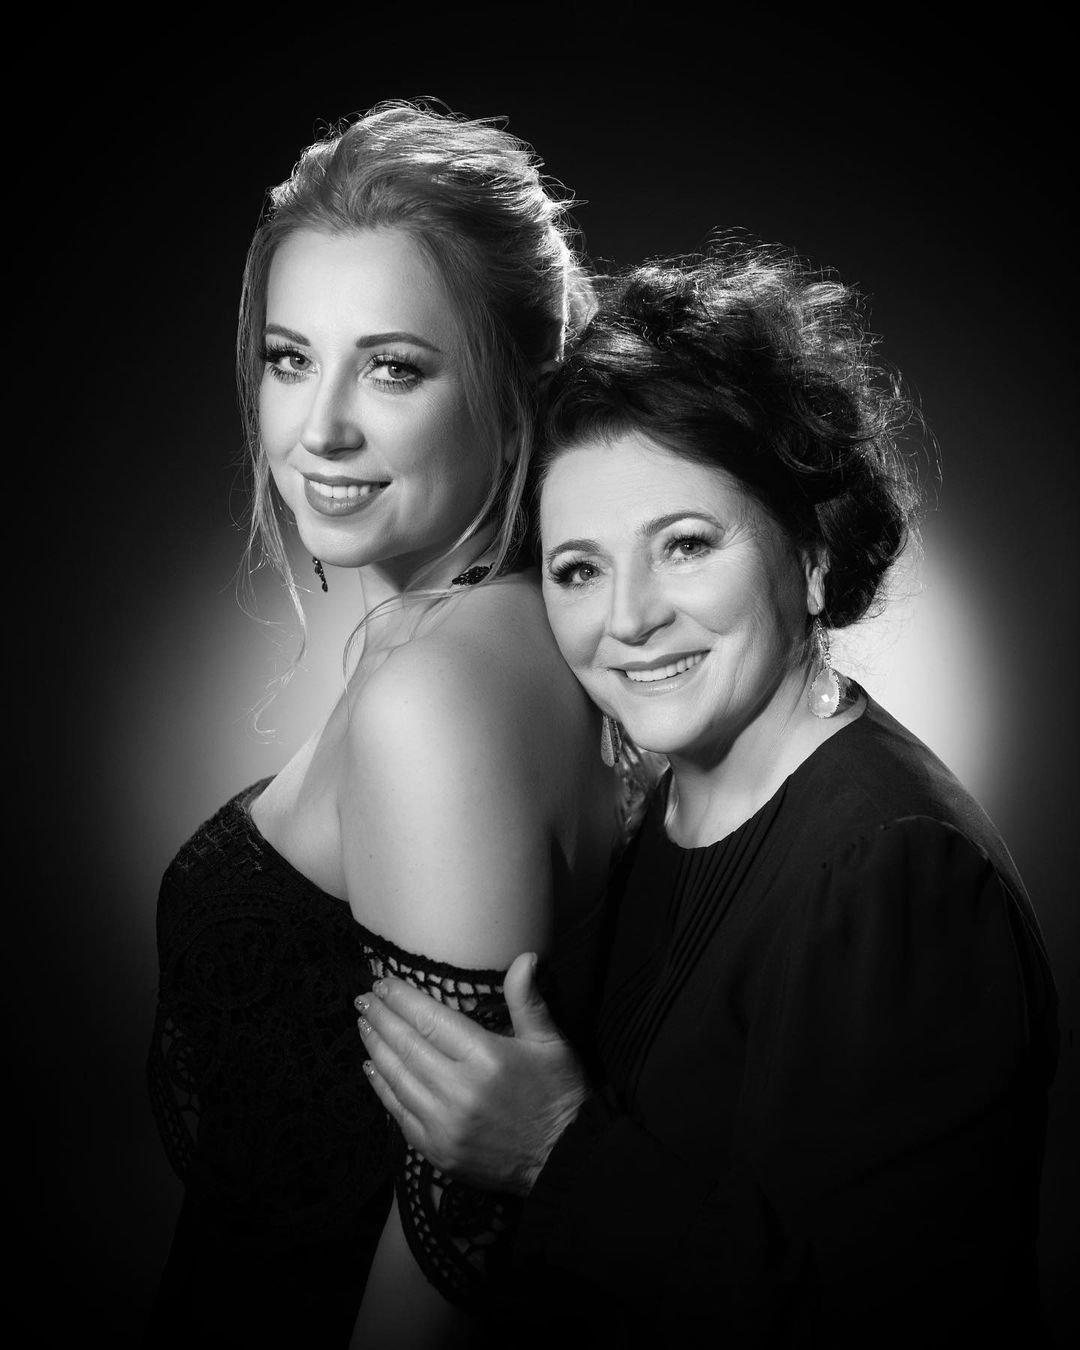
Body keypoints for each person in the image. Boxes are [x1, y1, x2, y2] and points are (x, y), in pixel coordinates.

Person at [354, 245, 1061, 1347]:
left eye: (684, 545)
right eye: (580, 569)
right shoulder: (660, 810)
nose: (628, 618)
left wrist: (554, 1150)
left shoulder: (897, 867)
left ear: (813, 554)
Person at [145, 102, 622, 1349]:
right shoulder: (460, 638)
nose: (321, 429)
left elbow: (453, 1232)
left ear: (516, 390)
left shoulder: (442, 693)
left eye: (394, 367)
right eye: (290, 358)